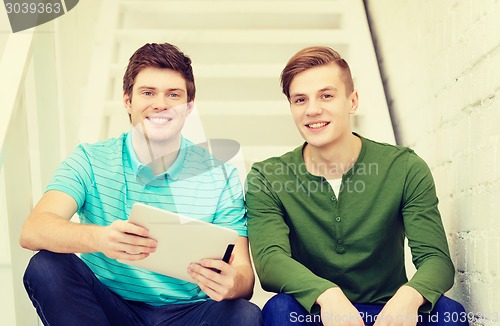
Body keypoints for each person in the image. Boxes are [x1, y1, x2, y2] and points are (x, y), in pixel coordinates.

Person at [20, 42, 262, 326]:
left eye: (174, 95)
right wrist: (100, 239)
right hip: (110, 308)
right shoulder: (90, 159)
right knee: (46, 267)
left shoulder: (220, 175)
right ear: (127, 101)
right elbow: (34, 229)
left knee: (244, 315)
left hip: (189, 313)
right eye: (148, 93)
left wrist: (233, 284)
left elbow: (244, 275)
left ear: (189, 107)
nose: (160, 104)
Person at [245, 46, 468, 326]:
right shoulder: (267, 176)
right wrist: (326, 294)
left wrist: (410, 296)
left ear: (352, 101)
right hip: (317, 313)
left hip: (389, 313)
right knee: (279, 309)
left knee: (450, 313)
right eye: (300, 100)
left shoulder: (404, 167)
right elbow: (269, 261)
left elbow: (437, 260)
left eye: (326, 95)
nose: (313, 109)